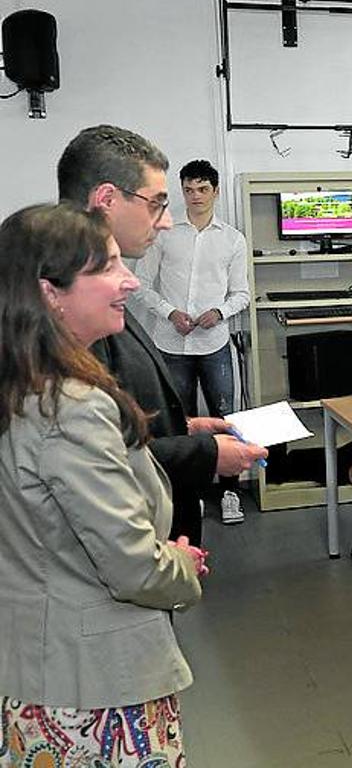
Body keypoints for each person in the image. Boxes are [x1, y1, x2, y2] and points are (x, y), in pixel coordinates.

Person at [0, 203, 206, 765]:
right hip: (96, 690)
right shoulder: (71, 408)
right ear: (51, 292)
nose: (130, 280)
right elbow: (132, 565)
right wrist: (182, 566)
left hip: (42, 669)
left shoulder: (22, 389)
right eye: (108, 267)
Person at [57, 125, 266, 543]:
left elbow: (119, 424)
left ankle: (222, 496)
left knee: (212, 413)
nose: (167, 220)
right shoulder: (75, 312)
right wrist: (205, 453)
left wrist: (184, 429)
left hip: (213, 342)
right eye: (157, 204)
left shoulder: (230, 240)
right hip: (122, 550)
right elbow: (95, 458)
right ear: (107, 200)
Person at [133, 159, 251, 524]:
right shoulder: (164, 233)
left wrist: (219, 312)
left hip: (214, 344)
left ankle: (229, 490)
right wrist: (170, 312)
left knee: (224, 417)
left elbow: (242, 293)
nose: (195, 196)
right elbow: (141, 285)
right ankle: (186, 496)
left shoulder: (232, 239)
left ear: (215, 192)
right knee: (175, 423)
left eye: (202, 189)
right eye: (188, 190)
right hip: (170, 345)